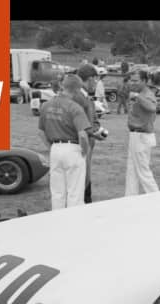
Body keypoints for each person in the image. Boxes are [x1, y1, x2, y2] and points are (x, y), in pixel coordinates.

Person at [37, 73, 91, 210]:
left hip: (55, 149)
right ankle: (74, 224)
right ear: (78, 90)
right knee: (75, 192)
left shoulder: (46, 105)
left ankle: (57, 222)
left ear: (63, 86)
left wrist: (51, 147)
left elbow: (40, 132)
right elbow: (83, 135)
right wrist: (84, 151)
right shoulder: (75, 107)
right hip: (73, 149)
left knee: (57, 192)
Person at [75, 64, 107, 204]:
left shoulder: (84, 96)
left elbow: (92, 119)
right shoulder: (79, 97)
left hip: (87, 141)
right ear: (90, 78)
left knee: (84, 175)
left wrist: (97, 128)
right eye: (96, 80)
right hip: (82, 143)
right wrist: (96, 133)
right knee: (83, 176)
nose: (96, 83)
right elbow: (82, 123)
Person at [125, 70, 159, 196]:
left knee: (143, 172)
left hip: (142, 135)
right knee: (132, 170)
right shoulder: (139, 93)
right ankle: (129, 198)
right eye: (131, 80)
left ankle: (156, 198)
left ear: (144, 81)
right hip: (136, 135)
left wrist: (137, 97)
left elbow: (152, 107)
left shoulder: (146, 93)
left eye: (135, 80)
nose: (132, 83)